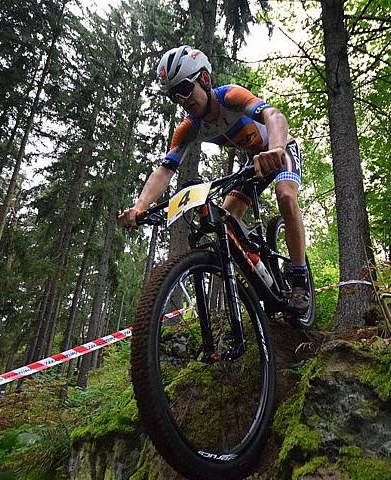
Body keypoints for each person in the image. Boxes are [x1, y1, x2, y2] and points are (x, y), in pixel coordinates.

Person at [118, 45, 310, 312]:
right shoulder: (189, 127)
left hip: (280, 149)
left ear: (204, 79)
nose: (182, 99)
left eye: (185, 88)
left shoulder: (230, 96)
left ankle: (300, 278)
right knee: (226, 222)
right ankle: (264, 279)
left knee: (286, 195)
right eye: (174, 95)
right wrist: (140, 207)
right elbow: (164, 170)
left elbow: (273, 115)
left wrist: (276, 148)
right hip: (252, 163)